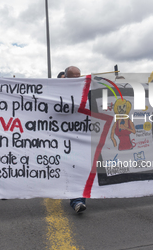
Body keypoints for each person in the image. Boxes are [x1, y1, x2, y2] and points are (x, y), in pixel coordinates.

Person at [64, 66, 86, 213]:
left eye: (79, 75)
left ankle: (77, 200)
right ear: (66, 78)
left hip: (83, 138)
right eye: (74, 76)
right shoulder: (57, 92)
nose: (78, 78)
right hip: (63, 139)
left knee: (80, 169)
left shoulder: (87, 90)